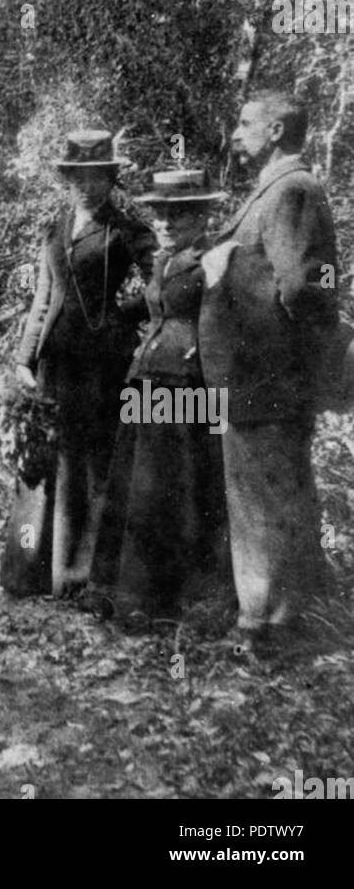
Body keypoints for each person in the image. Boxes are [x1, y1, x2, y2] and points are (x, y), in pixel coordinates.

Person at [199, 92, 338, 651]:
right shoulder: (276, 189)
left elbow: (310, 283)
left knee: (267, 499)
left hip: (267, 378)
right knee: (259, 496)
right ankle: (268, 617)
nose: (235, 133)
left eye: (245, 124)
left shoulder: (293, 190)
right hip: (253, 378)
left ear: (277, 130)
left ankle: (273, 625)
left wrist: (292, 346)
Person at [1, 129, 156, 599]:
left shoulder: (127, 230)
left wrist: (120, 315)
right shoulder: (55, 228)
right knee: (51, 461)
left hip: (101, 365)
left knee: (93, 465)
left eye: (96, 177)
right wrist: (24, 358)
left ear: (110, 179)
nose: (86, 186)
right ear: (67, 179)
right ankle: (34, 572)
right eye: (77, 177)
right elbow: (43, 300)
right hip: (56, 364)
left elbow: (163, 287)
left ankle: (85, 576)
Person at [89, 169, 230, 624]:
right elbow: (160, 306)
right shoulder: (164, 260)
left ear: (203, 215)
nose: (167, 223)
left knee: (179, 488)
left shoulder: (217, 259)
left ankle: (172, 597)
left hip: (188, 385)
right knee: (137, 486)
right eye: (161, 215)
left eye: (179, 214)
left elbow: (228, 325)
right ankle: (128, 590)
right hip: (147, 378)